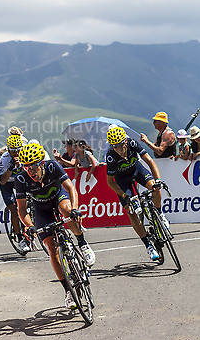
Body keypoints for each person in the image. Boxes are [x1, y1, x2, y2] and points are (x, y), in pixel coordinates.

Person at [14, 142, 95, 310]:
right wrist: (28, 226)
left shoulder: (52, 166)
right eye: (26, 167)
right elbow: (21, 209)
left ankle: (82, 242)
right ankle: (68, 291)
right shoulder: (21, 179)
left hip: (59, 197)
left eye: (33, 167)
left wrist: (74, 209)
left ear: (42, 163)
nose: (30, 171)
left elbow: (70, 187)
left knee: (66, 211)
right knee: (51, 248)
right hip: (41, 209)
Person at [105, 126, 169, 261]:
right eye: (115, 147)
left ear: (125, 141)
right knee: (131, 211)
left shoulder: (133, 143)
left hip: (137, 171)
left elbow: (150, 161)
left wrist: (157, 180)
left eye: (121, 145)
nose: (119, 149)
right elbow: (110, 182)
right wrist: (124, 196)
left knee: (155, 188)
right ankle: (148, 245)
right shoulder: (110, 156)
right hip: (122, 181)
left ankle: (160, 214)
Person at [0, 135, 30, 254]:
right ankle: (20, 238)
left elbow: (26, 174)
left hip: (18, 180)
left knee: (27, 202)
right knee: (14, 210)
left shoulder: (23, 155)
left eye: (18, 150)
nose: (16, 153)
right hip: (6, 183)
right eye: (13, 151)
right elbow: (2, 180)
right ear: (9, 150)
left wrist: (20, 167)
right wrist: (11, 167)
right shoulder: (4, 158)